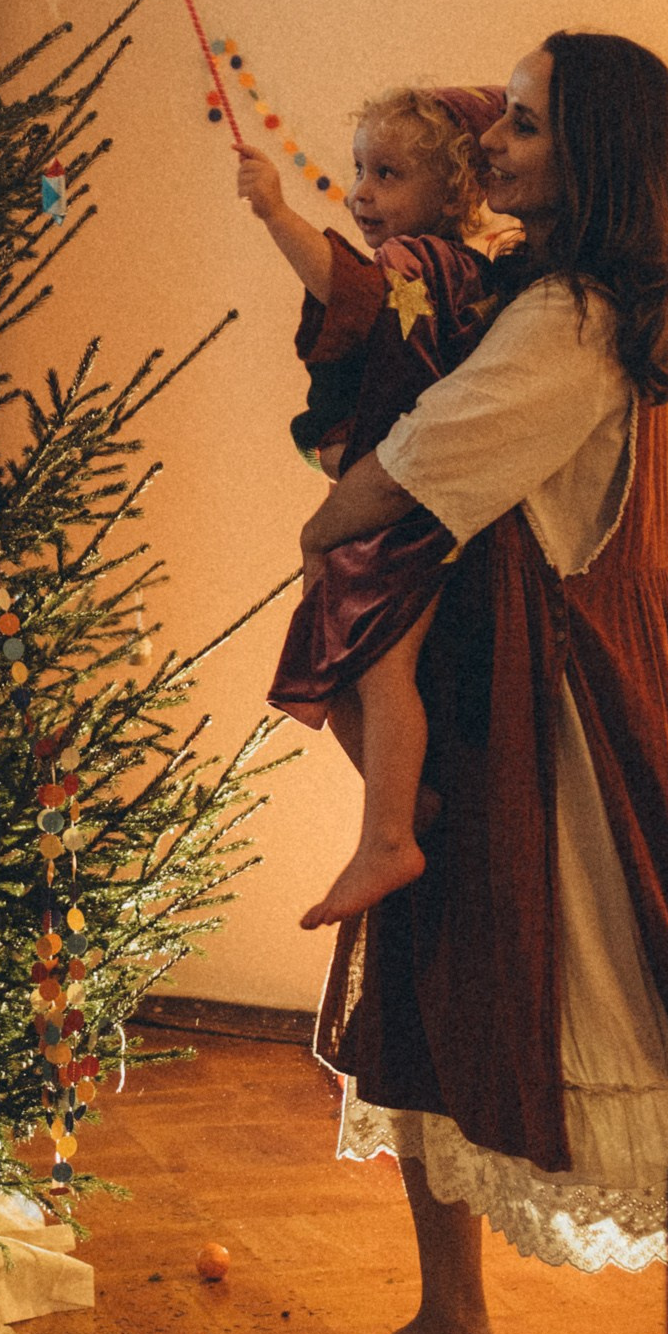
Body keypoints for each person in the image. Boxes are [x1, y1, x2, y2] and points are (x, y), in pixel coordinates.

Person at [288, 35, 668, 1334]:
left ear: (596, 155)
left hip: (554, 697)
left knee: (623, 998)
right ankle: (451, 1319)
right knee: (433, 986)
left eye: (525, 125)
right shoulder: (529, 289)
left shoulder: (572, 319)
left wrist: (326, 519)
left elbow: (428, 464)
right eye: (498, 118)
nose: (494, 142)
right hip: (491, 672)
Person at [240, 85, 504, 922]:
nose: (359, 194)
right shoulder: (451, 270)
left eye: (387, 175)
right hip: (391, 499)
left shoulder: (425, 266)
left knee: (380, 659)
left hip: (405, 504)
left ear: (453, 193)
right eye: (359, 169)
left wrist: (277, 214)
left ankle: (390, 830)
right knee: (345, 651)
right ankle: (400, 808)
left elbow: (346, 290)